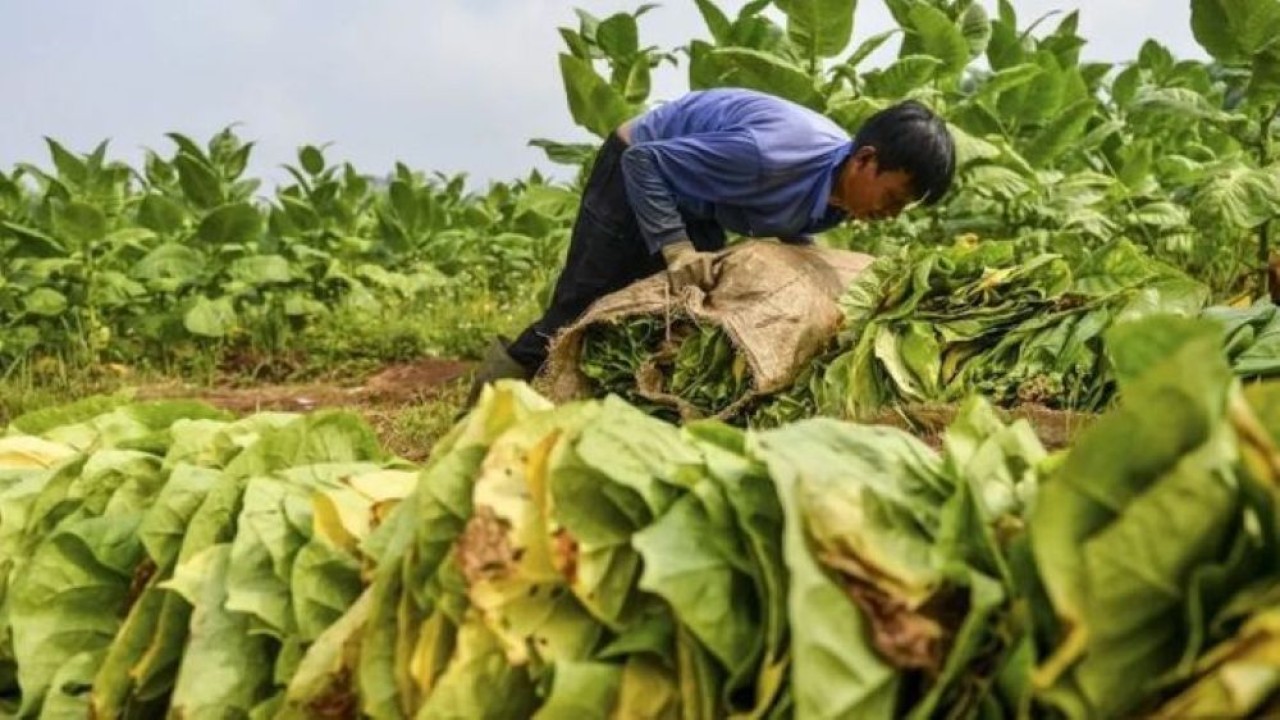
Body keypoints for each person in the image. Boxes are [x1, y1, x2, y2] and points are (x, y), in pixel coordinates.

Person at [464, 87, 957, 407]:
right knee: (576, 308)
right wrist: (676, 249)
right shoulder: (772, 155)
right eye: (893, 198)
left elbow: (789, 228)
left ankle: (607, 412)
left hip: (699, 202)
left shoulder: (838, 195)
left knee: (683, 313)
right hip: (635, 169)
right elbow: (644, 162)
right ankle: (478, 415)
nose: (891, 212)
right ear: (865, 160)